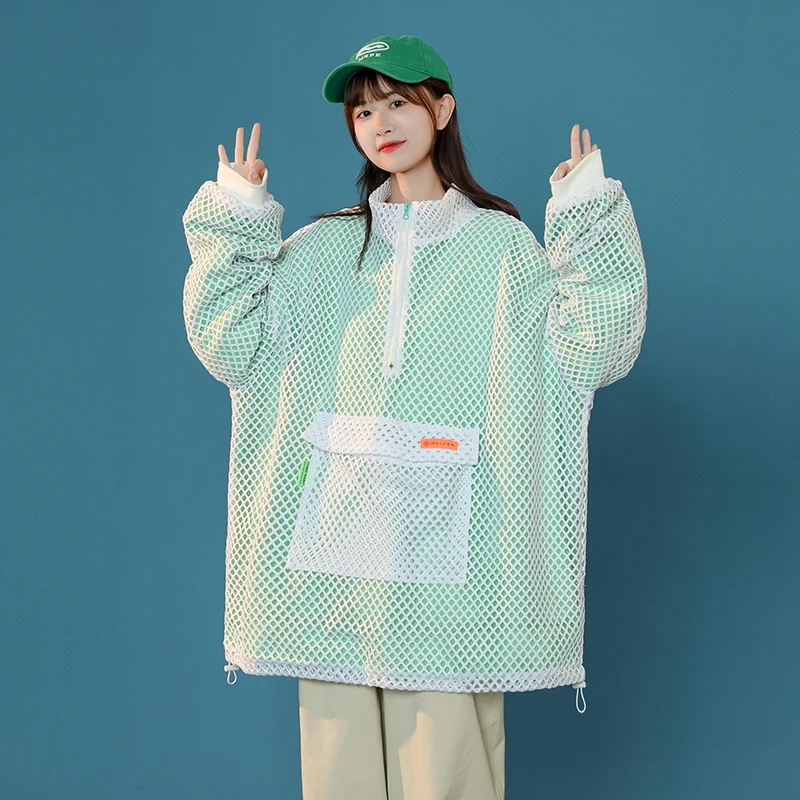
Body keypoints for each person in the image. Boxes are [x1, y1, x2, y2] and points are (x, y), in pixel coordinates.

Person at [182, 34, 647, 800]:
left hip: (456, 576)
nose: (380, 123)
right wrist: (237, 211)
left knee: (447, 779)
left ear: (443, 108)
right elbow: (232, 344)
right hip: (334, 574)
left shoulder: (503, 249)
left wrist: (584, 210)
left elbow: (595, 346)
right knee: (340, 780)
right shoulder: (320, 249)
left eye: (397, 101)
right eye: (363, 111)